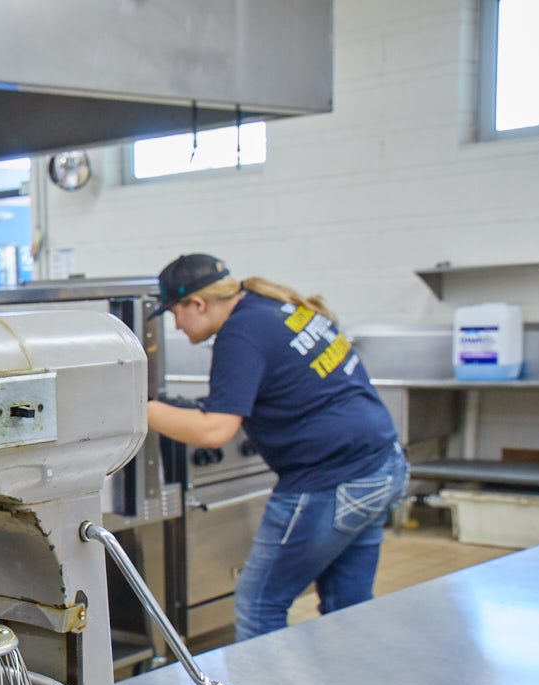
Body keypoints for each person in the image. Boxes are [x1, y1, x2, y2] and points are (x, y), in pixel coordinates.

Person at [147, 253, 408, 642]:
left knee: (259, 604)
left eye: (174, 313)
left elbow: (215, 430)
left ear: (197, 304)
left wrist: (139, 408)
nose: (177, 325)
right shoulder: (274, 308)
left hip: (332, 480)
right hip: (384, 464)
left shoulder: (241, 332)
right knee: (350, 606)